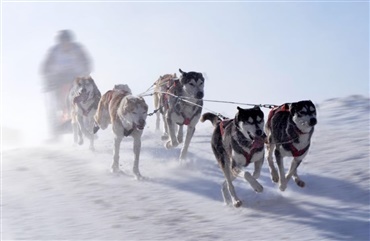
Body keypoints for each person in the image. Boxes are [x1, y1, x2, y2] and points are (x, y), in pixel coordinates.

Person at [40, 30, 93, 140]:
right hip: (58, 78)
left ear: (70, 41)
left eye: (67, 42)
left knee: (84, 98)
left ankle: (88, 125)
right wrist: (46, 79)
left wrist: (86, 74)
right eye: (62, 42)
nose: (65, 45)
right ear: (59, 42)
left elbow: (87, 62)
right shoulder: (54, 51)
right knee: (54, 105)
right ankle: (55, 132)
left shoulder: (77, 49)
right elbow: (45, 66)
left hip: (75, 76)